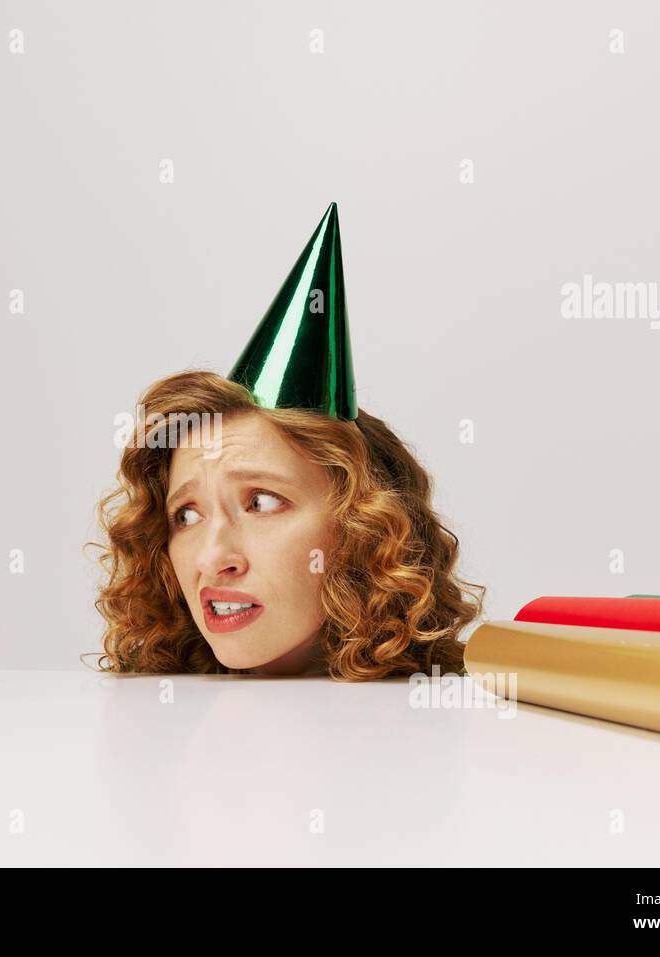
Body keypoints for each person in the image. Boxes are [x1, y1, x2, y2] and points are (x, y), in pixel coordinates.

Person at [93, 204, 484, 679]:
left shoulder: (458, 718)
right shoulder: (145, 718)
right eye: (187, 515)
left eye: (260, 501)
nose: (213, 559)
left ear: (366, 527)